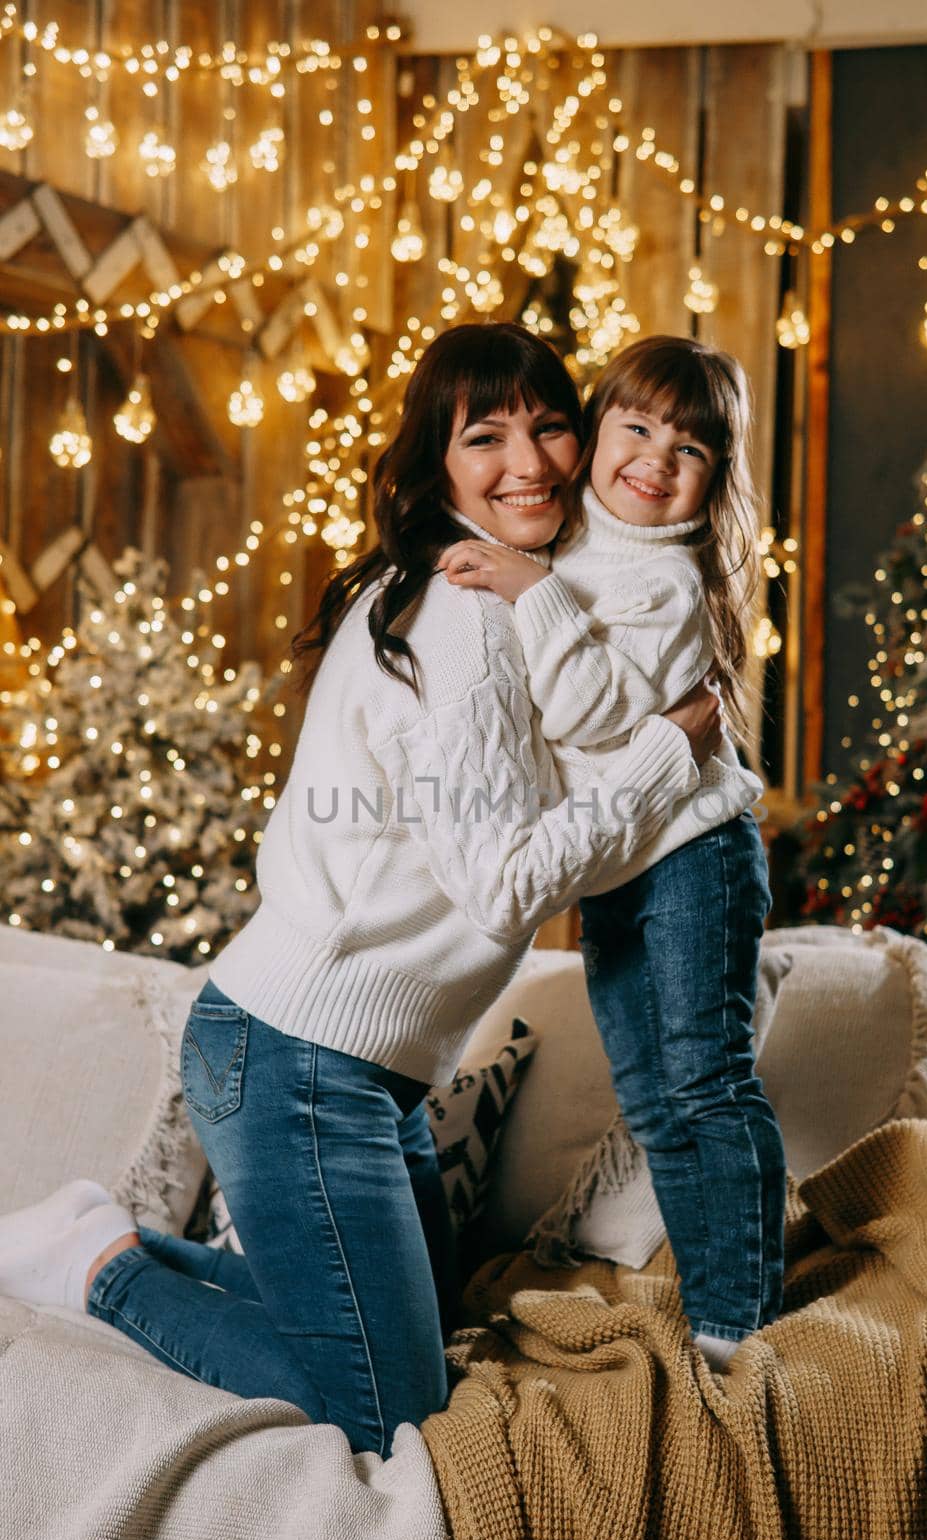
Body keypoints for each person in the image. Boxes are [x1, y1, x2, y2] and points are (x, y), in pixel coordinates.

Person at [0, 323, 722, 1457]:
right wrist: (665, 757)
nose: (527, 461)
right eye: (484, 437)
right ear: (436, 462)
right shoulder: (465, 618)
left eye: (547, 424)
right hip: (299, 1062)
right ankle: (103, 1269)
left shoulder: (496, 590)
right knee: (385, 1414)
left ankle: (96, 1234)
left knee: (412, 1347)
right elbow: (501, 889)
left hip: (351, 1073)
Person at [437, 334, 785, 1370]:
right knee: (651, 1096)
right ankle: (714, 1297)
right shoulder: (580, 542)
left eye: (689, 447)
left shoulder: (667, 582)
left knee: (704, 1080)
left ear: (715, 475)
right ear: (594, 433)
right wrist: (533, 573)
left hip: (691, 854)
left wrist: (525, 586)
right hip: (622, 864)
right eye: (634, 427)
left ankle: (737, 1319)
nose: (653, 458)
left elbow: (590, 715)